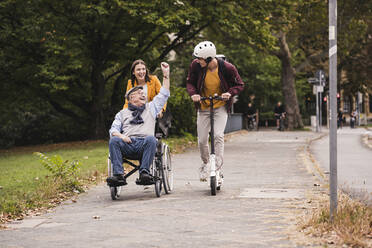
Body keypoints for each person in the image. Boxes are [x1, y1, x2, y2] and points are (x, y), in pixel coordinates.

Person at [186, 41, 244, 182]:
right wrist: (193, 93)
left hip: (220, 106)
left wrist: (229, 93)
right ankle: (206, 164)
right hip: (204, 106)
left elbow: (239, 84)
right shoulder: (196, 66)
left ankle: (217, 168)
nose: (197, 61)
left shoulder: (227, 68)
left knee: (218, 136)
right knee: (202, 140)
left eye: (200, 59)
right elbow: (190, 82)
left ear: (208, 59)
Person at [106, 62, 170, 186]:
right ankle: (119, 175)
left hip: (144, 144)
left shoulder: (151, 108)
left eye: (143, 93)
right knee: (114, 140)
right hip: (127, 143)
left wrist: (166, 75)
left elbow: (163, 94)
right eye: (138, 93)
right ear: (130, 98)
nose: (143, 94)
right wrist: (121, 136)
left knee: (152, 139)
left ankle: (144, 173)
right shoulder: (122, 113)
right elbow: (113, 130)